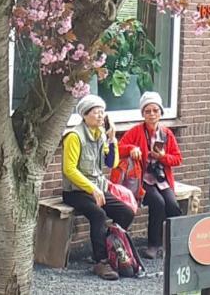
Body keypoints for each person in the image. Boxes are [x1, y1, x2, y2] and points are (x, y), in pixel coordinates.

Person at [62, 93, 136, 280]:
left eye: (103, 112)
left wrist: (112, 140)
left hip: (97, 188)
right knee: (99, 214)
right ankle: (101, 261)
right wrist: (91, 189)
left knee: (126, 212)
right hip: (75, 191)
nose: (101, 116)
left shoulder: (101, 134)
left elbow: (112, 163)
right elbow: (69, 170)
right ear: (85, 115)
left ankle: (110, 247)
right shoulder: (74, 136)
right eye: (96, 112)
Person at [114, 91, 182, 259]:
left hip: (161, 179)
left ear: (161, 113)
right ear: (142, 114)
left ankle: (174, 242)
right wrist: (131, 149)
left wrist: (163, 157)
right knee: (158, 203)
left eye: (155, 110)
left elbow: (178, 159)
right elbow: (118, 149)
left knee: (172, 205)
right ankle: (153, 244)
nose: (152, 114)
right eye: (147, 111)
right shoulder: (136, 131)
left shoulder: (167, 134)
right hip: (142, 180)